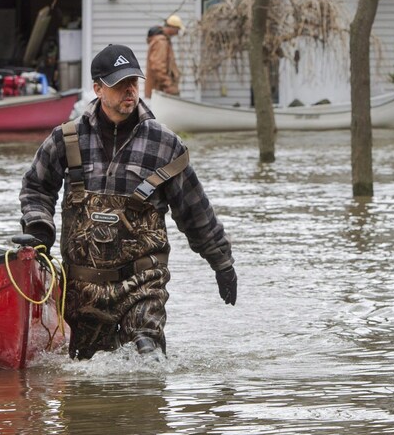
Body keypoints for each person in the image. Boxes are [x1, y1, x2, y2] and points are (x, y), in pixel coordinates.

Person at [18, 43, 237, 360]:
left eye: (133, 82)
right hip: (83, 290)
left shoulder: (165, 145)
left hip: (143, 284)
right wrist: (39, 231)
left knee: (146, 359)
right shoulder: (66, 139)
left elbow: (195, 212)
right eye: (119, 84)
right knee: (85, 377)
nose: (129, 91)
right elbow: (36, 186)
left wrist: (223, 264)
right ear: (97, 88)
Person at [144, 14, 182, 98]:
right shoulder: (161, 42)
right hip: (159, 91)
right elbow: (158, 66)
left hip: (159, 91)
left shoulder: (163, 41)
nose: (178, 32)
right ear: (172, 27)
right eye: (177, 29)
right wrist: (168, 85)